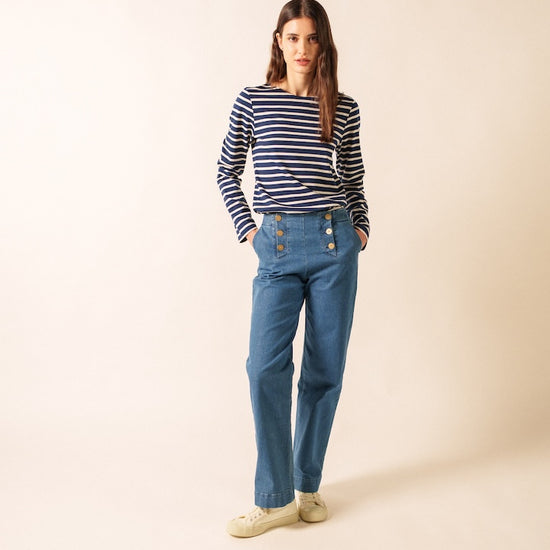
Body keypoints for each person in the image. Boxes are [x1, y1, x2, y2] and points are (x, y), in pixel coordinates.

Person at [217, 0, 369, 538]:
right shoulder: (254, 100)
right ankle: (274, 498)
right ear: (279, 42)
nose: (303, 48)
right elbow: (227, 170)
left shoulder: (342, 107)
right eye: (293, 37)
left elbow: (353, 176)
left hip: (333, 244)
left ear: (323, 43)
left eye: (312, 38)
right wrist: (250, 231)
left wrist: (360, 231)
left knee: (324, 372)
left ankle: (306, 486)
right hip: (276, 246)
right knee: (265, 368)